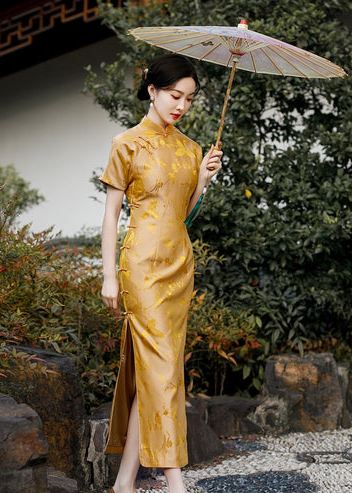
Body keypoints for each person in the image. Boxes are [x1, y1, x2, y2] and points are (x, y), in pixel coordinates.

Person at [100, 53, 223, 493]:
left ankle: (124, 482)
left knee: (156, 371)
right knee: (163, 371)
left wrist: (203, 179)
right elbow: (112, 216)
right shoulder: (126, 143)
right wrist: (108, 275)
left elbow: (182, 215)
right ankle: (176, 483)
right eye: (175, 95)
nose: (181, 105)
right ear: (151, 89)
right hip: (140, 268)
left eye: (189, 99)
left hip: (178, 267)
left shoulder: (191, 149)